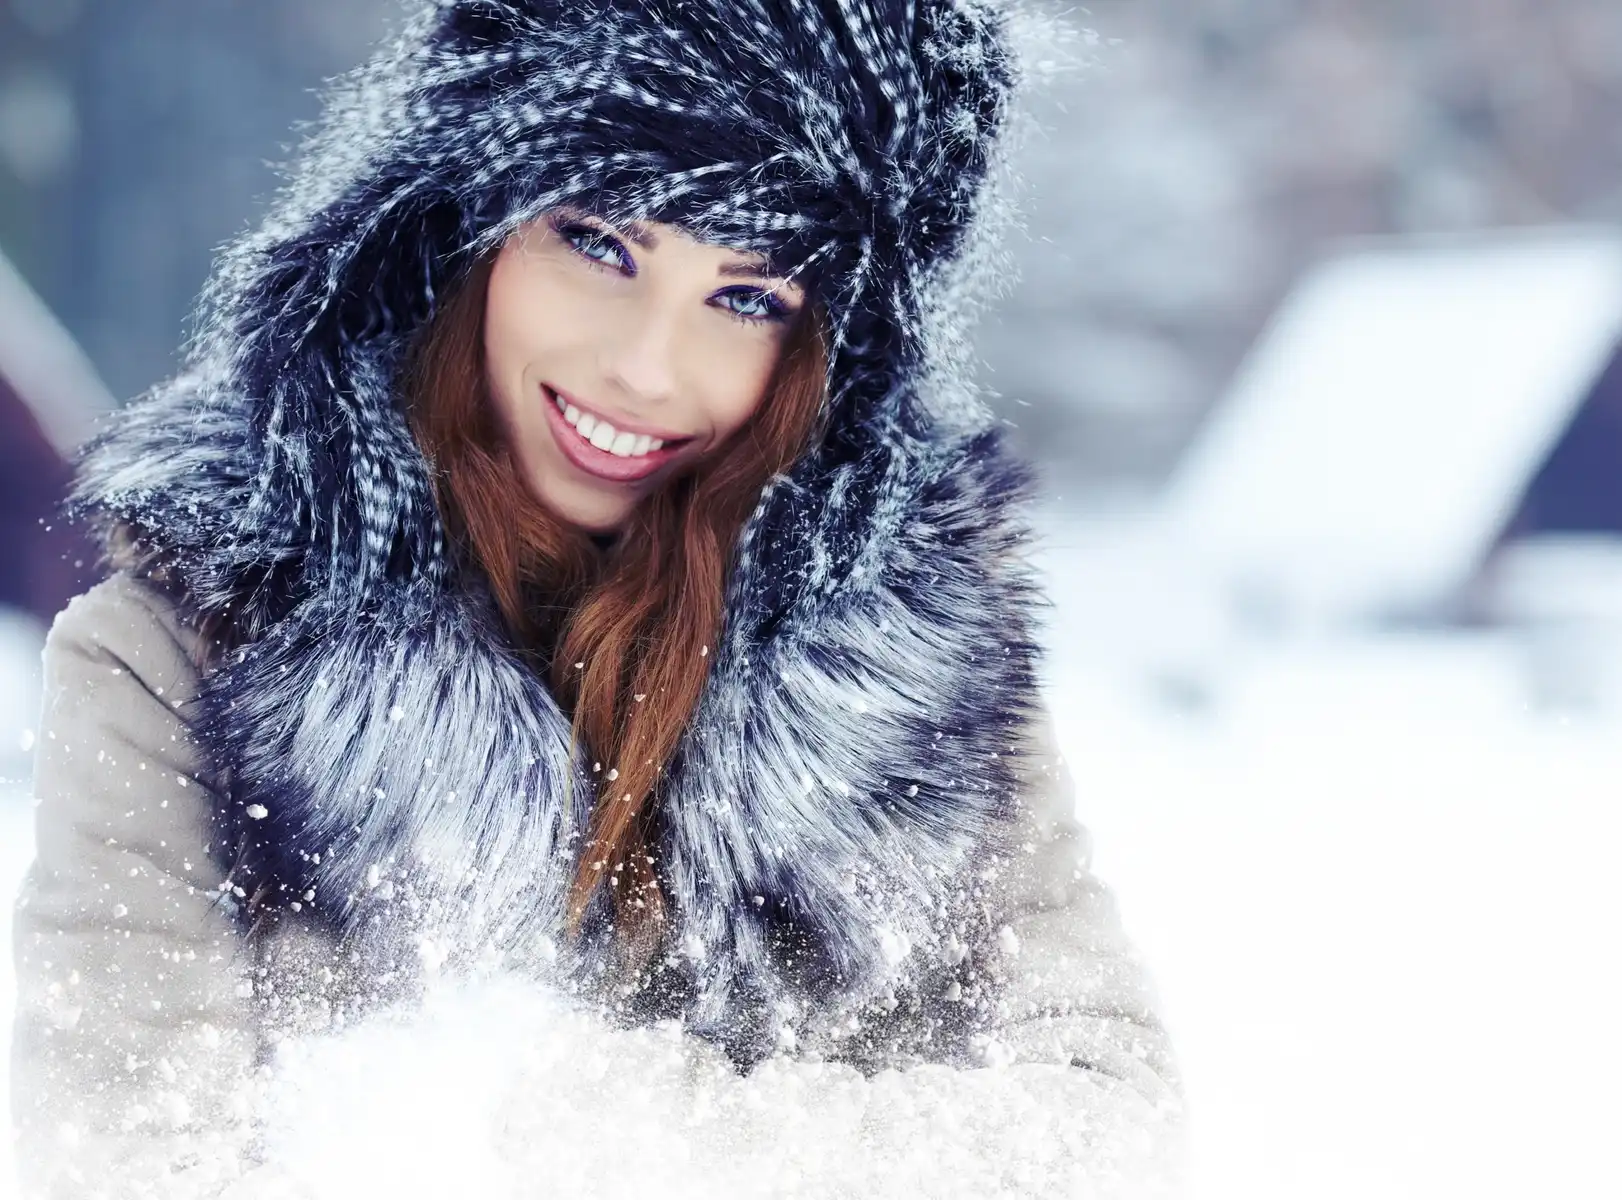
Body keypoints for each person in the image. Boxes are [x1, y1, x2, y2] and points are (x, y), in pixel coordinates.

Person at [9, 1, 1184, 1196]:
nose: (645, 367)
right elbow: (123, 1157)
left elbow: (1104, 1132)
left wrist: (555, 1116)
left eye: (747, 297)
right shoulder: (185, 647)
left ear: (830, 349)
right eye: (601, 245)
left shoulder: (926, 660)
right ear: (459, 220)